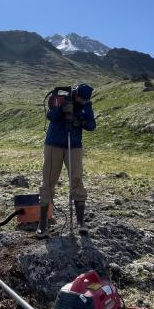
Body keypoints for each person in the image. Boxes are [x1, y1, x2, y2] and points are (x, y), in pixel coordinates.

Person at [37, 83, 96, 237]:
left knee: (76, 179)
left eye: (86, 100)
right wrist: (61, 110)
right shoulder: (60, 98)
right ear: (75, 94)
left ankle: (81, 223)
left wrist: (80, 121)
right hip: (53, 144)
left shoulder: (86, 104)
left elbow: (92, 125)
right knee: (48, 181)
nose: (83, 102)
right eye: (81, 99)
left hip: (74, 146)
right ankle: (43, 224)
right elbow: (50, 116)